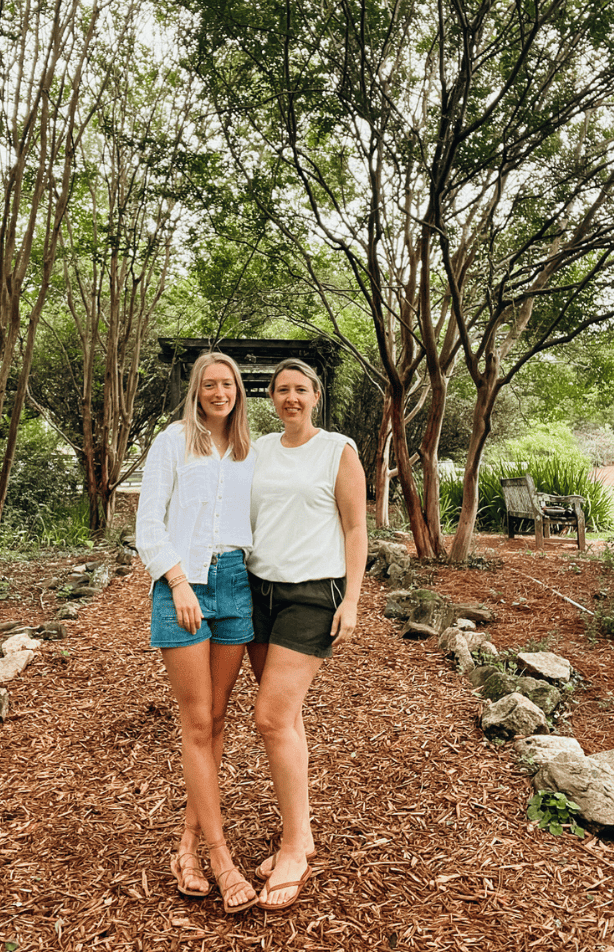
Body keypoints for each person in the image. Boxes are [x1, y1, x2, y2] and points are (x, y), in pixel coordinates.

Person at [135, 352, 257, 914]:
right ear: (196, 389)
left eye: (226, 383)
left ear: (238, 389)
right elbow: (148, 523)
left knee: (217, 719)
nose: (218, 391)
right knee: (196, 720)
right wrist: (178, 581)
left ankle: (186, 846)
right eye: (208, 384)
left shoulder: (251, 450)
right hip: (184, 583)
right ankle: (220, 855)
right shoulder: (173, 441)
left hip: (236, 582)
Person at [247, 358, 368, 912]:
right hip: (258, 592)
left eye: (300, 389)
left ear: (315, 395)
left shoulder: (337, 449)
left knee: (270, 716)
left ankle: (295, 844)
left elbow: (354, 526)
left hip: (312, 594)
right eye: (281, 390)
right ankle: (303, 830)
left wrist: (353, 598)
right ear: (270, 398)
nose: (290, 398)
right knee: (286, 717)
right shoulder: (261, 449)